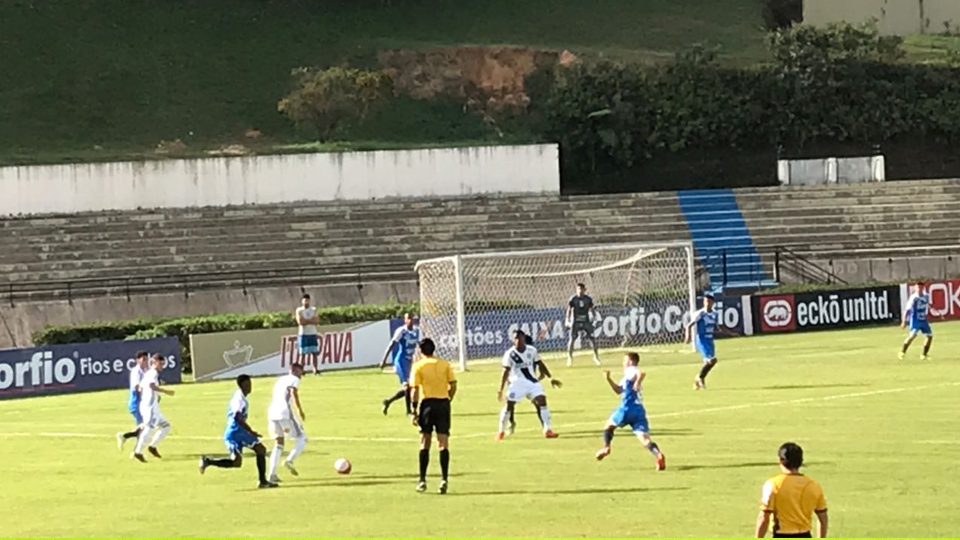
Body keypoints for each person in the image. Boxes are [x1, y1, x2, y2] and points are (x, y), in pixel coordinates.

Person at [199, 374, 278, 489]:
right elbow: (237, 416)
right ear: (242, 385)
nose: (250, 387)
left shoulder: (239, 395)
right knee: (260, 450)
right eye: (248, 384)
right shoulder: (239, 399)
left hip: (234, 431)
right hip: (237, 431)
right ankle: (263, 481)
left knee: (237, 462)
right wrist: (250, 431)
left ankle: (208, 461)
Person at [595, 352, 666, 471]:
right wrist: (608, 379)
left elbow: (641, 373)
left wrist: (638, 381)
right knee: (645, 440)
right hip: (639, 410)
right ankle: (658, 455)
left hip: (627, 408)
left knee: (609, 425)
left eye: (625, 360)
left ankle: (606, 447)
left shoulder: (631, 370)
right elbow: (618, 390)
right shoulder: (626, 377)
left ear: (631, 362)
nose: (623, 363)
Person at [409, 338, 457, 494]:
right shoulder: (444, 364)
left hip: (427, 405)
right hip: (443, 403)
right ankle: (444, 479)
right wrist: (448, 398)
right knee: (443, 442)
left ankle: (422, 480)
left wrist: (414, 410)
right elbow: (454, 384)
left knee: (425, 442)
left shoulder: (418, 366)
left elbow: (414, 390)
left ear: (421, 351)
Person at [495, 330, 561, 441]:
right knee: (509, 405)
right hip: (517, 383)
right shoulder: (510, 354)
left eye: (519, 338)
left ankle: (547, 430)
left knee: (542, 400)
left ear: (524, 338)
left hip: (532, 382)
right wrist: (500, 389)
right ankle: (501, 431)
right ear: (513, 340)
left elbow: (541, 364)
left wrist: (550, 378)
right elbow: (505, 371)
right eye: (515, 339)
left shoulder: (532, 350)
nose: (518, 341)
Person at [756, 442, 828, 538]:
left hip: (781, 535)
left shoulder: (773, 485)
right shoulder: (813, 485)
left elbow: (764, 518)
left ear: (780, 460)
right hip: (805, 535)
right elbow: (823, 518)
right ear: (801, 461)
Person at [266, 364, 307, 483]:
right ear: (294, 370)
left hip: (272, 413)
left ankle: (272, 475)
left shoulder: (280, 379)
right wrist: (299, 410)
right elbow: (293, 392)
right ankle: (289, 460)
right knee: (302, 438)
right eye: (300, 372)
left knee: (278, 444)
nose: (301, 375)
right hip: (284, 413)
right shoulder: (294, 379)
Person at [132, 353, 174, 462]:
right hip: (149, 406)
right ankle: (138, 452)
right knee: (149, 428)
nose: (162, 366)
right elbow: (151, 385)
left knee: (166, 426)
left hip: (152, 405)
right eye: (160, 363)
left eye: (163, 364)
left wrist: (153, 396)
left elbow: (141, 387)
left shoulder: (148, 373)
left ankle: (152, 446)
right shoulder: (153, 373)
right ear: (154, 362)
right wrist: (165, 391)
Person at [685, 293, 730, 390]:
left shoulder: (715, 313)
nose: (707, 303)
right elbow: (689, 325)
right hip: (702, 339)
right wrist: (688, 337)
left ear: (712, 303)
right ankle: (700, 377)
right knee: (712, 360)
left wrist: (731, 333)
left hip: (710, 339)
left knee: (709, 362)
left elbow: (719, 326)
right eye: (705, 301)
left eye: (709, 301)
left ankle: (697, 382)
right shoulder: (700, 313)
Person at [380, 312, 420, 416]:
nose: (410, 320)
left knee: (410, 387)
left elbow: (420, 345)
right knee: (407, 385)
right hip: (400, 361)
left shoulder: (417, 331)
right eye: (408, 319)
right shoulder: (401, 331)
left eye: (411, 318)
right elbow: (392, 344)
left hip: (409, 361)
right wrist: (384, 359)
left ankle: (388, 401)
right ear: (405, 320)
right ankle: (408, 412)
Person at [116, 351, 149, 450]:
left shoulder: (146, 371)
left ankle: (124, 437)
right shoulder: (136, 372)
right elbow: (137, 387)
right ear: (137, 360)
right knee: (144, 428)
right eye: (143, 360)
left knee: (144, 427)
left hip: (144, 403)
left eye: (147, 359)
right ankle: (136, 451)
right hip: (136, 403)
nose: (145, 362)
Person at [566, 283, 601, 366]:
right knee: (572, 339)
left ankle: (596, 357)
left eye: (581, 289)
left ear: (585, 290)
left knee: (592, 339)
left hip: (586, 321)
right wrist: (567, 320)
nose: (580, 291)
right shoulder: (573, 299)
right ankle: (570, 357)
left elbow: (592, 309)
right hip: (576, 322)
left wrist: (595, 318)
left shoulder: (588, 299)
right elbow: (569, 309)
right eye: (578, 289)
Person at [900, 282, 934, 360]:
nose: (919, 289)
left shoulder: (926, 296)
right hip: (915, 320)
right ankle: (902, 352)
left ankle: (924, 355)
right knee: (912, 336)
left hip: (923, 320)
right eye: (918, 288)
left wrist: (930, 307)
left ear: (923, 288)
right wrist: (904, 321)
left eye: (921, 288)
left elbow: (927, 304)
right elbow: (907, 310)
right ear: (915, 288)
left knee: (929, 336)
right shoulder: (913, 298)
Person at [295, 293, 320, 375]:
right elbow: (300, 322)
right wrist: (310, 320)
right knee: (302, 354)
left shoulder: (313, 309)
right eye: (305, 300)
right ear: (302, 301)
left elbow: (316, 321)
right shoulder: (299, 310)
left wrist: (307, 320)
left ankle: (315, 369)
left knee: (314, 353)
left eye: (308, 300)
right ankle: (301, 370)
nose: (306, 302)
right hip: (303, 334)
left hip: (312, 333)